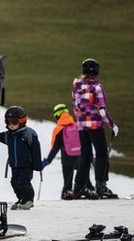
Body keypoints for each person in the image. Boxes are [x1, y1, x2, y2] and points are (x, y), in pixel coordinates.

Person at [72, 58, 119, 199]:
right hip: (94, 125)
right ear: (97, 71)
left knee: (85, 155)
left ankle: (78, 187)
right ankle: (101, 186)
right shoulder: (97, 88)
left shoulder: (76, 85)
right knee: (101, 154)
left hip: (81, 125)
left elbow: (75, 105)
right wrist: (112, 125)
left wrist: (80, 120)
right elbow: (102, 110)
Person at [0, 106, 43, 209]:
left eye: (14, 122)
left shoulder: (28, 134)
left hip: (26, 165)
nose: (11, 125)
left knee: (23, 182)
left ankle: (28, 200)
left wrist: (37, 165)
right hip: (14, 165)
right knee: (14, 182)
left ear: (22, 121)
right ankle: (21, 199)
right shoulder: (8, 136)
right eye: (8, 122)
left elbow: (36, 150)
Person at [41, 103, 83, 200]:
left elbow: (55, 148)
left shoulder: (59, 130)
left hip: (67, 159)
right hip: (80, 158)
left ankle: (67, 193)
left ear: (57, 115)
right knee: (83, 179)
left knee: (67, 182)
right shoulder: (77, 126)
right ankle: (84, 190)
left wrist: (47, 161)